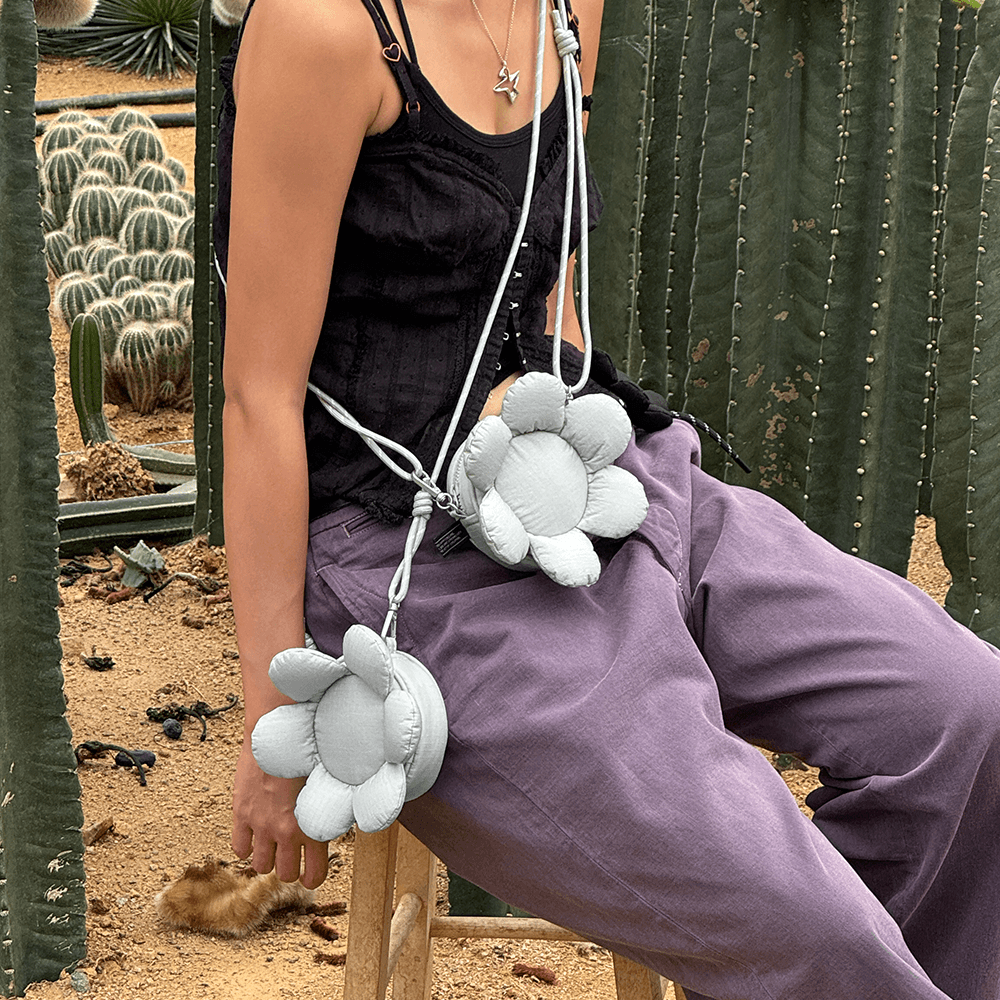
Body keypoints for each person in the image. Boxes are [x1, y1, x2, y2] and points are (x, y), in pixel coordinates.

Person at [214, 0, 1000, 996]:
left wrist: (566, 433)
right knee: (802, 923)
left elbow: (547, 281)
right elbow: (260, 398)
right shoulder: (325, 29)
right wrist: (274, 719)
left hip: (580, 481)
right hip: (402, 558)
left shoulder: (565, 5)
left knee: (964, 713)